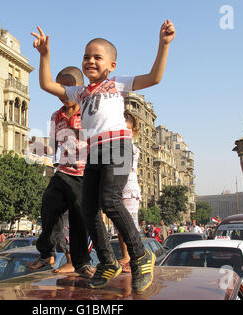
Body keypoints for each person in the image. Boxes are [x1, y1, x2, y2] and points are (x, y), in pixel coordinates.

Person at [31, 20, 175, 292]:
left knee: (110, 200)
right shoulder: (81, 92)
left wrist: (164, 44)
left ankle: (140, 255)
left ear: (112, 65)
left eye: (98, 57)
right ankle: (107, 262)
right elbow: (47, 85)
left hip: (117, 146)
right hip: (94, 152)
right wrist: (45, 55)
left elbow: (154, 78)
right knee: (88, 209)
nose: (90, 61)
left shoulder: (116, 84)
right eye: (86, 56)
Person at [27, 66, 94, 278]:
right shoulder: (56, 116)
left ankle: (80, 262)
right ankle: (46, 253)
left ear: (79, 88)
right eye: (59, 88)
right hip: (63, 171)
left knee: (77, 219)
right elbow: (55, 146)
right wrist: (37, 147)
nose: (63, 93)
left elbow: (99, 140)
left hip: (84, 173)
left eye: (68, 87)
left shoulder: (88, 111)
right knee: (49, 207)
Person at [117, 110, 142, 273]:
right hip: (117, 188)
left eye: (128, 131)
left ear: (133, 132)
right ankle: (126, 255)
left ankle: (133, 257)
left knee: (129, 225)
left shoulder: (132, 149)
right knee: (120, 226)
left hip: (129, 189)